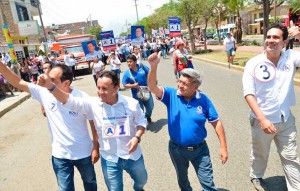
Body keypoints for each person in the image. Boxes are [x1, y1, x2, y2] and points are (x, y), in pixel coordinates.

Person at [38, 70, 148, 191]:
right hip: (110, 158)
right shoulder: (93, 104)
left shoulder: (132, 104)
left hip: (132, 155)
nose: (100, 92)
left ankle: (138, 188)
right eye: (98, 88)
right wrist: (51, 86)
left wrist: (137, 137)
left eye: (105, 89)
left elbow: (141, 122)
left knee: (142, 180)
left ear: (116, 88)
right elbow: (68, 100)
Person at [0, 62, 99, 191]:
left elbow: (93, 123)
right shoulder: (44, 92)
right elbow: (17, 82)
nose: (47, 80)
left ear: (66, 83)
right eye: (48, 77)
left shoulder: (82, 98)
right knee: (64, 189)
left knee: (90, 184)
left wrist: (96, 147)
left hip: (83, 153)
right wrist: (1, 66)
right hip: (60, 155)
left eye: (53, 80)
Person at [148, 52, 228, 191]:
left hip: (200, 150)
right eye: (179, 81)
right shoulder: (171, 95)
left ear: (195, 87)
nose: (180, 85)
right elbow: (152, 88)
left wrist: (223, 147)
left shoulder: (204, 100)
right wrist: (153, 67)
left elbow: (216, 122)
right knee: (183, 182)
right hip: (176, 149)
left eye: (185, 84)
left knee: (208, 185)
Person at [242, 23, 300, 191]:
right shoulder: (254, 63)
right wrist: (262, 119)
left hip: (285, 119)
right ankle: (257, 176)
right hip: (262, 120)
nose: (271, 40)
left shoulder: (290, 57)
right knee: (260, 153)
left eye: (276, 37)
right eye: (268, 37)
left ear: (284, 42)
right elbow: (248, 93)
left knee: (291, 157)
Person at [122, 54, 154, 124]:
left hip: (146, 91)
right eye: (127, 62)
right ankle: (142, 122)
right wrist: (133, 85)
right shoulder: (127, 73)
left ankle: (147, 116)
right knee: (140, 110)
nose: (128, 63)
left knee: (150, 107)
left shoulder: (142, 67)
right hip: (136, 95)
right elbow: (124, 84)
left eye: (130, 61)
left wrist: (150, 85)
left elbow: (150, 74)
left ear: (135, 61)